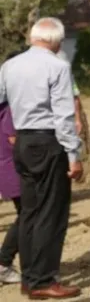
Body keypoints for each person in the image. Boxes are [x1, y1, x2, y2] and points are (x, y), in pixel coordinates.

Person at [0, 17, 83, 299]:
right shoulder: (57, 66)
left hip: (22, 141)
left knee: (30, 212)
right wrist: (74, 154)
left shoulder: (9, 66)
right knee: (52, 212)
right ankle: (44, 279)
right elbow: (63, 114)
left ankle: (30, 276)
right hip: (48, 141)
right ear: (56, 40)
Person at [0, 51, 23, 285]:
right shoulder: (11, 109)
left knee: (27, 214)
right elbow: (15, 140)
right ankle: (4, 263)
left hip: (8, 169)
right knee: (28, 214)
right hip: (14, 169)